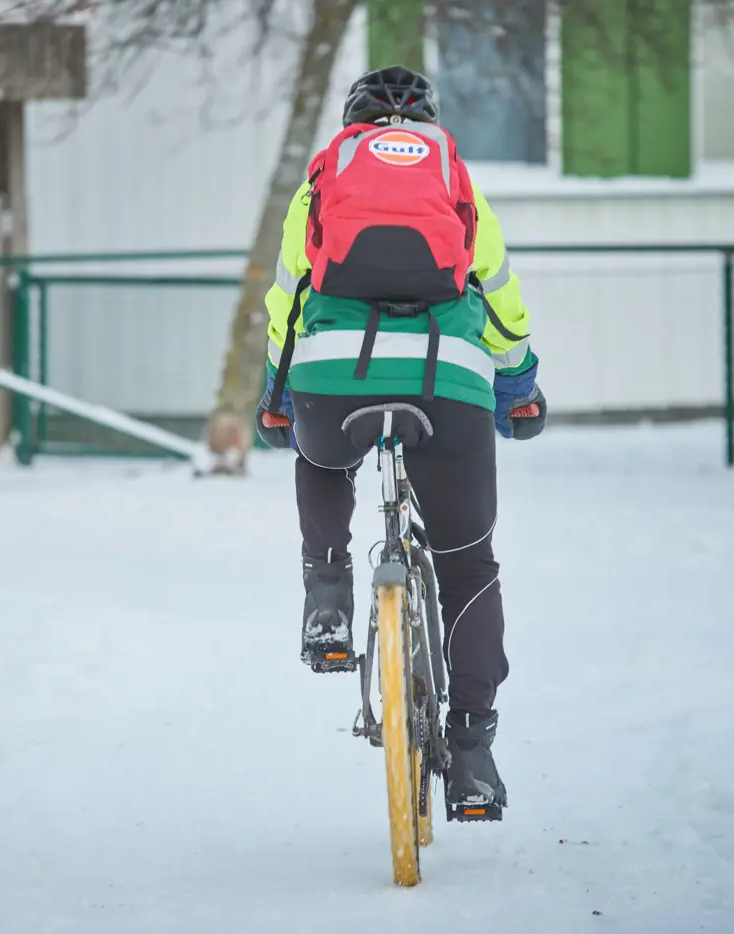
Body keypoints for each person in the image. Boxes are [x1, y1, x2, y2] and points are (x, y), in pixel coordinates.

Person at [255, 65, 545, 821]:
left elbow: (288, 295)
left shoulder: (322, 178)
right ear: (429, 124)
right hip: (445, 379)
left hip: (332, 372)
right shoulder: (455, 175)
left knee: (319, 455)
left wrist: (278, 395)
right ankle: (474, 754)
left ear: (352, 124)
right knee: (468, 558)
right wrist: (519, 388)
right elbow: (501, 295)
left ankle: (327, 603)